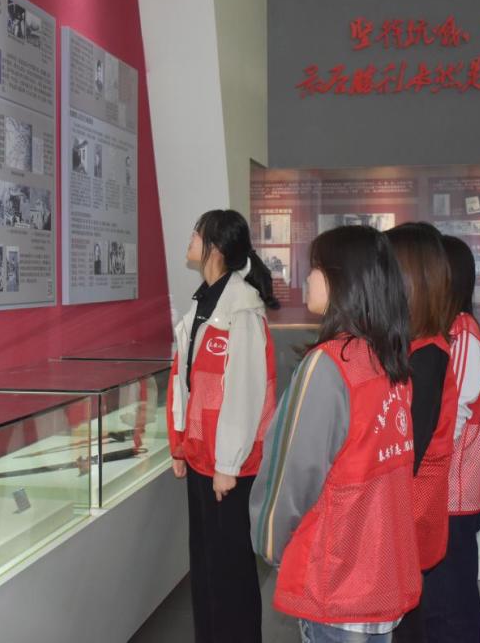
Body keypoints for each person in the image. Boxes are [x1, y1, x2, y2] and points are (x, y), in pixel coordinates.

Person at [250, 226, 420, 643]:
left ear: (343, 280)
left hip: (335, 577)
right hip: (380, 576)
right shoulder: (388, 359)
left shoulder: (328, 365)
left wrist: (270, 542)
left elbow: (292, 474)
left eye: (315, 268)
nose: (306, 279)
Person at [166, 209, 280, 643]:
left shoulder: (243, 308)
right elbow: (186, 382)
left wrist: (228, 465)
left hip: (228, 466)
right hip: (201, 457)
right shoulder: (202, 302)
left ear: (214, 246)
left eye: (196, 233)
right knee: (206, 566)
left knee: (230, 570)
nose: (190, 240)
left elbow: (245, 393)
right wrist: (180, 445)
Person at [417, 235, 480, 643]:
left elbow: (454, 418)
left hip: (452, 495)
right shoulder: (443, 330)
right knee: (437, 599)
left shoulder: (462, 333)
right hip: (438, 492)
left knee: (452, 601)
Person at [386, 222, 458, 643]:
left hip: (406, 518)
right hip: (402, 517)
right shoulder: (415, 346)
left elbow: (405, 453)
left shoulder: (427, 356)